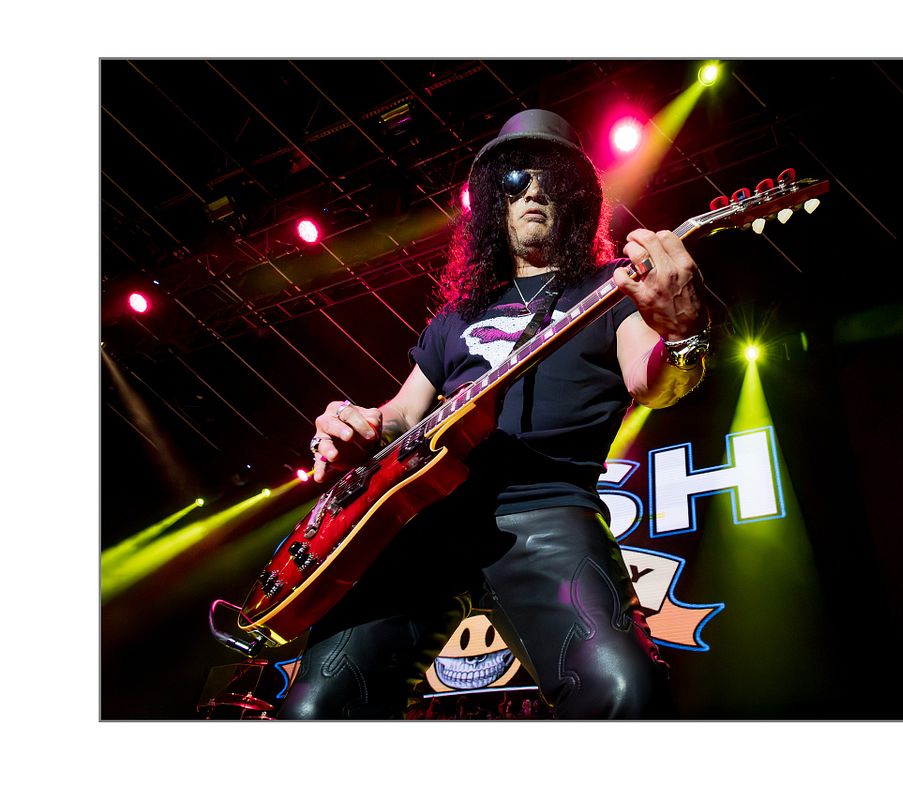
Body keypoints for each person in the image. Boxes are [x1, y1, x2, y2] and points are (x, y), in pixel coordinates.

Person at [278, 109, 711, 719]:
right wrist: (353, 425)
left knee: (623, 694)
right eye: (515, 180)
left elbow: (655, 382)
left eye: (552, 181)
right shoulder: (455, 317)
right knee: (315, 710)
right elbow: (403, 415)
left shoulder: (614, 290)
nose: (533, 190)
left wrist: (684, 333)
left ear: (578, 200)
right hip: (426, 515)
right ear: (491, 202)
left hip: (546, 510)